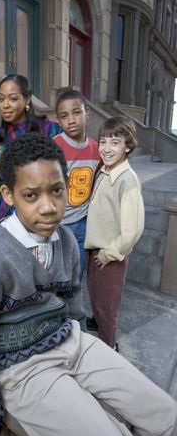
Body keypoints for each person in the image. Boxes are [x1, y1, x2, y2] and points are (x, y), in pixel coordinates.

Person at [0, 133, 177, 436]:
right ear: (8, 194)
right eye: (31, 195)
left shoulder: (67, 241)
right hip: (22, 368)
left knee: (166, 417)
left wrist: (87, 360)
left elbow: (74, 308)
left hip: (70, 341)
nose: (48, 207)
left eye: (56, 191)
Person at [84, 116, 145, 350]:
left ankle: (108, 349)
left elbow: (132, 229)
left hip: (110, 254)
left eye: (115, 142)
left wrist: (110, 253)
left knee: (107, 307)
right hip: (96, 248)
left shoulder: (127, 180)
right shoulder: (104, 171)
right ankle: (98, 323)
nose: (106, 149)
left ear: (127, 146)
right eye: (103, 142)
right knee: (96, 298)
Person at [0, 74, 61, 218]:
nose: (5, 105)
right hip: (6, 210)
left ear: (27, 100)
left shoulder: (50, 130)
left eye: (12, 98)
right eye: (1, 99)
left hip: (39, 208)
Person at [54, 90, 100, 330]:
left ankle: (72, 322)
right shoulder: (56, 147)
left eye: (76, 113)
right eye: (64, 116)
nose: (71, 120)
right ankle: (53, 317)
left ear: (87, 113)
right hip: (58, 225)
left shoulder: (96, 149)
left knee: (76, 277)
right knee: (54, 274)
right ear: (58, 120)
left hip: (82, 224)